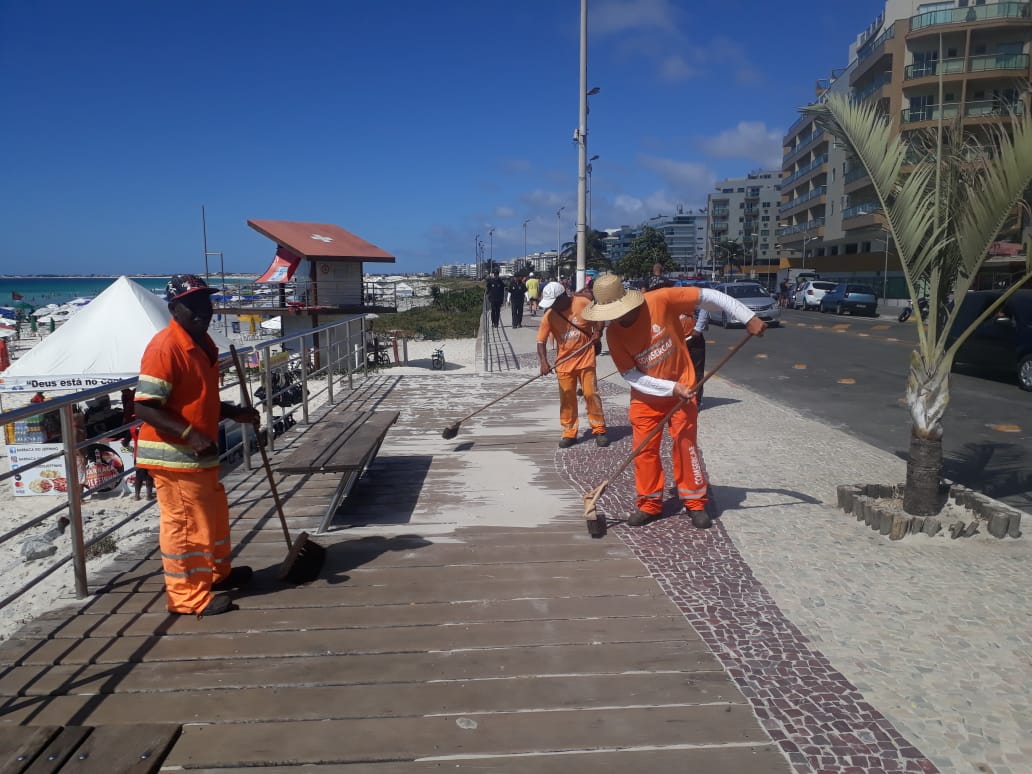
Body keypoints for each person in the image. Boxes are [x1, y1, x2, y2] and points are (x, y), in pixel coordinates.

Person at [582, 274, 765, 528]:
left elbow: (707, 296)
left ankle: (695, 502)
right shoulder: (614, 335)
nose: (616, 317)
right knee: (644, 450)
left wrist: (748, 317)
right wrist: (670, 388)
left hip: (684, 388)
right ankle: (649, 504)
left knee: (685, 445)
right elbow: (631, 375)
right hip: (647, 399)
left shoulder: (660, 299)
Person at [134, 274, 260, 617]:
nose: (203, 311)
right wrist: (191, 434)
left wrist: (235, 412)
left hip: (200, 455)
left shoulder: (203, 344)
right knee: (186, 526)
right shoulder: (165, 347)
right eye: (193, 305)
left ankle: (217, 575)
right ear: (174, 308)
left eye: (207, 303)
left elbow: (200, 399)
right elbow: (144, 405)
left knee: (213, 518)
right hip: (174, 455)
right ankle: (187, 597)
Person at [536, 281, 609, 449]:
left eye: (554, 302)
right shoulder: (550, 315)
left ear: (563, 296)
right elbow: (541, 341)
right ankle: (569, 432)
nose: (552, 306)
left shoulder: (582, 303)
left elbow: (599, 317)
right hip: (564, 363)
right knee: (567, 398)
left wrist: (597, 333)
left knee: (591, 394)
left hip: (586, 359)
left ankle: (599, 430)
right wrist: (543, 362)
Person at [681, 307, 710, 407]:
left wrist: (698, 328)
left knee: (697, 371)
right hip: (677, 339)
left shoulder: (694, 293)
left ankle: (696, 401)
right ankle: (680, 398)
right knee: (678, 371)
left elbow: (704, 308)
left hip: (694, 337)